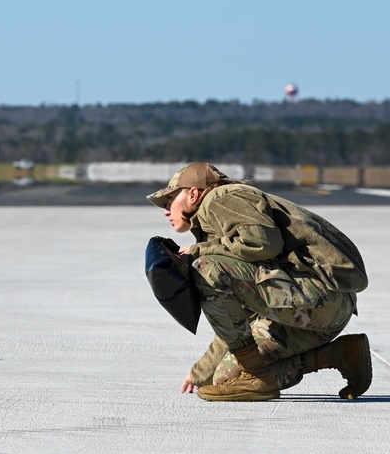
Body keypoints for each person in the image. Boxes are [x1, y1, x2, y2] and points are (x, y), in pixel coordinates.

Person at [147, 162, 371, 401]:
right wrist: (201, 372)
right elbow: (233, 317)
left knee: (207, 268)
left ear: (193, 193)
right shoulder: (218, 222)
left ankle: (255, 374)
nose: (166, 210)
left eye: (169, 200)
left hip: (322, 296)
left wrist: (199, 250)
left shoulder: (221, 197)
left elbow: (263, 244)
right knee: (226, 380)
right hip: (309, 307)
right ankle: (340, 354)